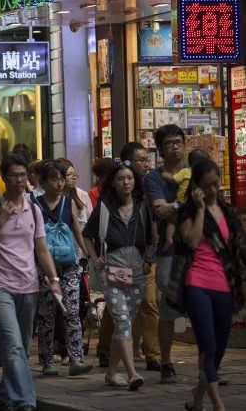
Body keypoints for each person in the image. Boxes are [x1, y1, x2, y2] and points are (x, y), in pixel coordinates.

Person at [0, 154, 62, 411]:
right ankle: (25, 401)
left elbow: (42, 249)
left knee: (21, 349)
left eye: (24, 175)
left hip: (29, 286)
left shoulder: (34, 209)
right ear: (4, 177)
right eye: (15, 175)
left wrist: (53, 279)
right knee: (12, 345)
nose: (21, 180)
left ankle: (3, 394)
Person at [177, 158, 244, 411]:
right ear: (197, 187)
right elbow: (192, 242)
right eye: (207, 186)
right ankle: (218, 404)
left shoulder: (228, 212)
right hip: (197, 282)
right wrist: (201, 208)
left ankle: (198, 395)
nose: (213, 190)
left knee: (221, 345)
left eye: (216, 184)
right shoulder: (188, 212)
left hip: (223, 285)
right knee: (208, 345)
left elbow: (238, 248)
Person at [83, 161, 152, 390]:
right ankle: (132, 374)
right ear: (112, 182)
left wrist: (149, 260)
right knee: (122, 322)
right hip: (112, 271)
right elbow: (87, 235)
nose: (126, 182)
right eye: (121, 178)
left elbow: (153, 238)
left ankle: (111, 373)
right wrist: (94, 257)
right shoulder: (104, 207)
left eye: (130, 178)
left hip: (138, 273)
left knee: (125, 325)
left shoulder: (143, 207)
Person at [96, 142, 161, 371]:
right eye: (140, 160)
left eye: (147, 159)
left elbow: (153, 224)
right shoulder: (112, 195)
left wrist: (151, 254)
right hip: (118, 261)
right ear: (126, 163)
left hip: (143, 258)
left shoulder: (151, 184)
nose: (145, 163)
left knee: (149, 303)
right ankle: (106, 350)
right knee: (117, 309)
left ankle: (153, 355)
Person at [32, 162, 92, 377]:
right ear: (43, 182)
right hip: (44, 269)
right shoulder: (34, 204)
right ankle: (47, 360)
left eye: (61, 179)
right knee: (47, 314)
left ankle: (76, 359)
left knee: (73, 313)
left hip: (69, 265)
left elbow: (77, 229)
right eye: (53, 179)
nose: (59, 183)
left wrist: (87, 256)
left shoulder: (68, 202)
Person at [144, 123, 187, 383]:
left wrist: (175, 206)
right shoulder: (154, 178)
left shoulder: (194, 171)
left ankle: (209, 367)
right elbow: (160, 210)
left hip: (197, 247)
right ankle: (167, 362)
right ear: (160, 149)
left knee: (205, 307)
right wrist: (187, 202)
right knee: (168, 309)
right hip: (168, 251)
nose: (175, 146)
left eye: (178, 142)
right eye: (170, 143)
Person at [162, 148, 209, 252]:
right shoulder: (203, 176)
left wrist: (166, 175)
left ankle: (169, 238)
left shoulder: (185, 172)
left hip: (180, 202)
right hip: (192, 203)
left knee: (172, 221)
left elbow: (174, 180)